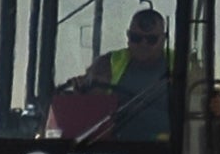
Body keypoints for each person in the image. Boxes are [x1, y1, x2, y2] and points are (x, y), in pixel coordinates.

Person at [70, 8, 175, 140]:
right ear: (128, 36)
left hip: (170, 147)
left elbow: (195, 107)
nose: (143, 44)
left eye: (151, 39)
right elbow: (92, 107)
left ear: (164, 39)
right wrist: (82, 90)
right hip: (117, 146)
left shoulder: (182, 64)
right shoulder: (108, 63)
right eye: (136, 38)